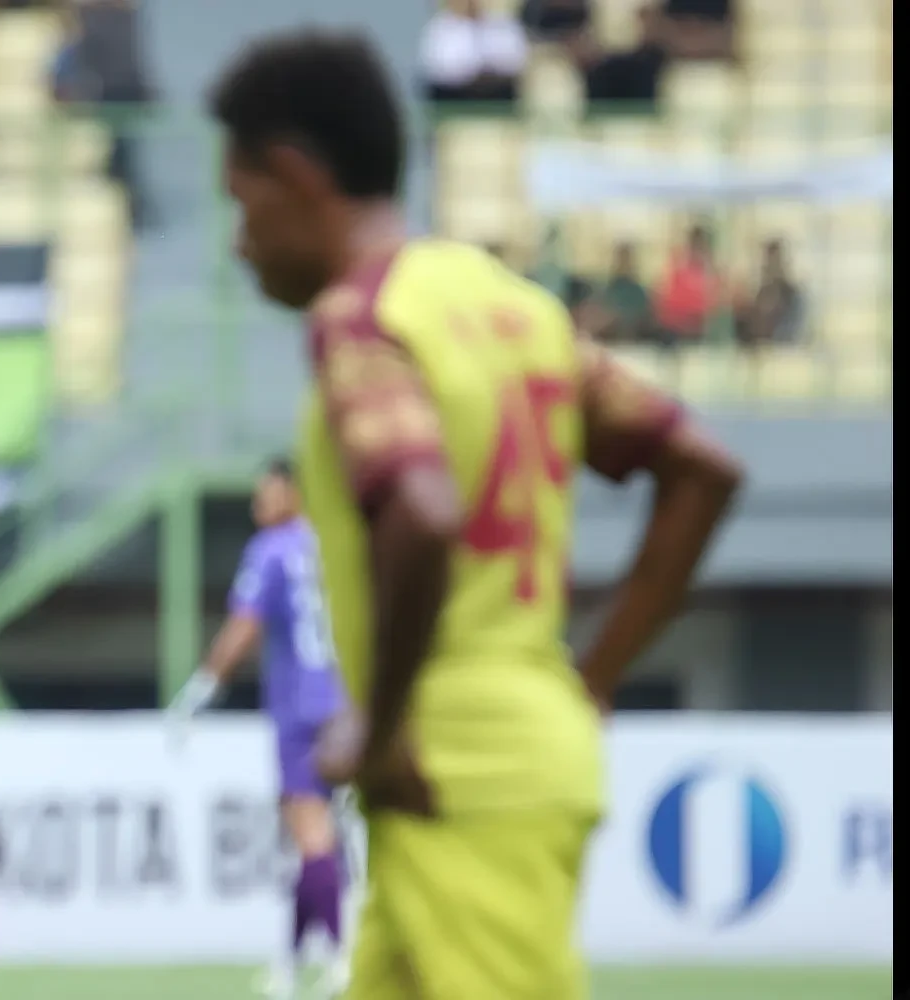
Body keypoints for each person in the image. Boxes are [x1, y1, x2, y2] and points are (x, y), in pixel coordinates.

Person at [208, 30, 744, 1000]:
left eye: (241, 207)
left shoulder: (361, 318)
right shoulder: (513, 307)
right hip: (506, 744)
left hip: (451, 763)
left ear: (293, 177)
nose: (240, 242)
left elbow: (423, 508)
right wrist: (592, 678)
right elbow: (699, 467)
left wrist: (380, 729)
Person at [168, 458, 350, 1000]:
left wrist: (199, 692)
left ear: (295, 493)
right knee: (315, 842)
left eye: (268, 493)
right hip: (345, 704)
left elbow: (244, 627)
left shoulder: (271, 550)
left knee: (311, 833)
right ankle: (291, 969)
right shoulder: (334, 545)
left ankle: (342, 959)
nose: (258, 505)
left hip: (299, 706)